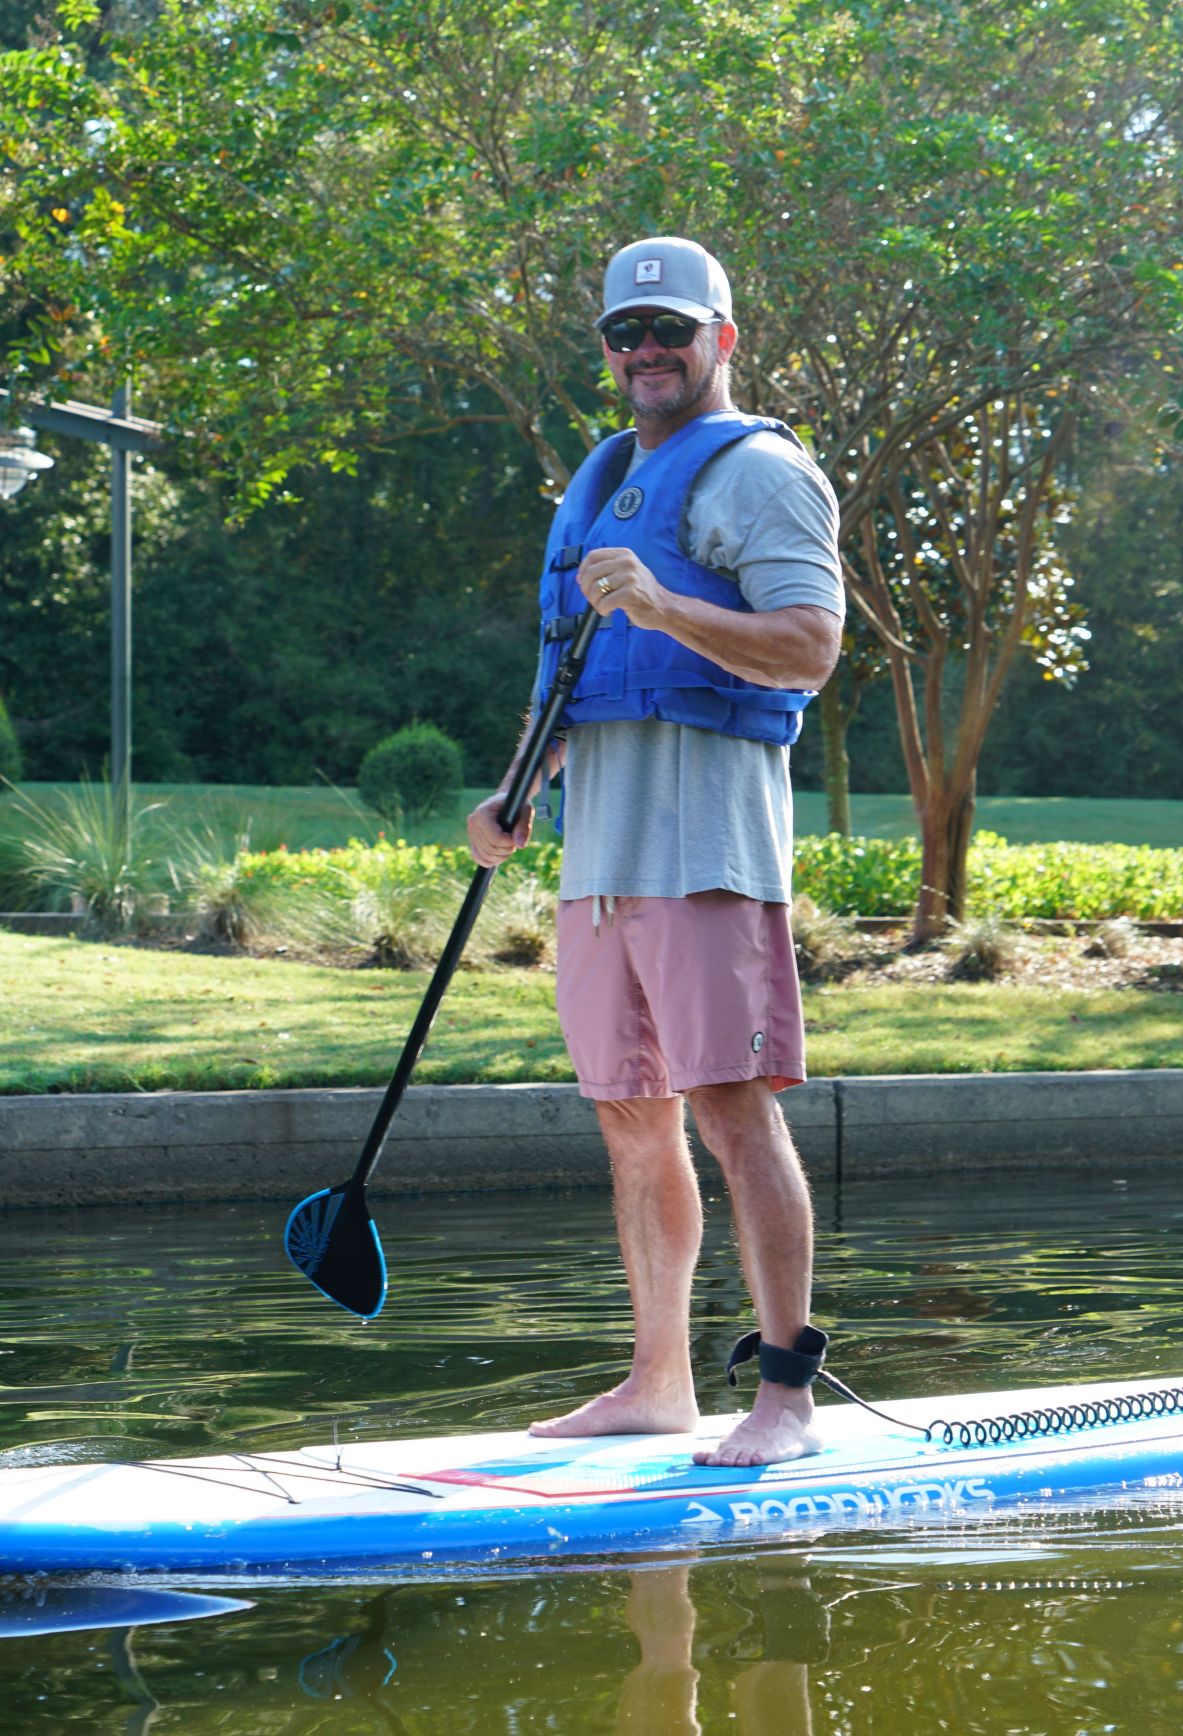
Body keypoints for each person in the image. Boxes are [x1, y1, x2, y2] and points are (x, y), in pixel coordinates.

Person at [465, 236, 849, 1468]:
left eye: (671, 331)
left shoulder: (762, 476)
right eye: (625, 334)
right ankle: (659, 1382)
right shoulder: (595, 482)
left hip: (710, 850)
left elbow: (809, 647)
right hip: (599, 864)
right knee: (632, 1118)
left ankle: (786, 1398)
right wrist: (516, 789)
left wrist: (670, 604)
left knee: (734, 1112)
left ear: (723, 339)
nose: (646, 352)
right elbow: (569, 683)